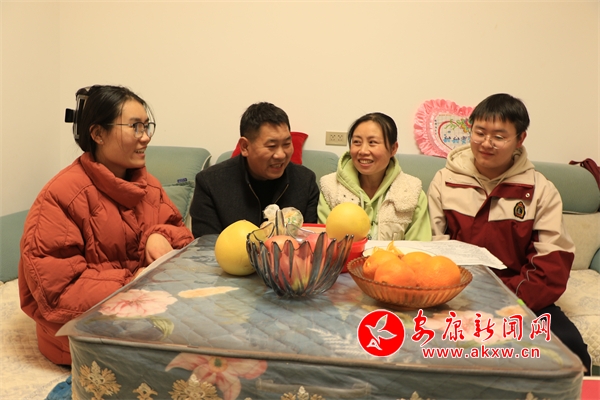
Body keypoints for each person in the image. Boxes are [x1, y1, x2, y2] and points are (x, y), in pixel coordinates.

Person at [19, 85, 194, 365]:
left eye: (147, 126)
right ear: (98, 134)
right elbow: (58, 292)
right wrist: (131, 284)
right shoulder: (61, 195)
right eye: (135, 127)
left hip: (144, 316)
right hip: (78, 336)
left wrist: (159, 234)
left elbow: (184, 240)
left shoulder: (149, 186)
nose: (146, 137)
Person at [427, 93, 592, 374]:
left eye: (499, 136)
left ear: (520, 138)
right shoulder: (445, 181)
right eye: (480, 132)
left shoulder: (540, 190)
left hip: (522, 297)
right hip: (458, 295)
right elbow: (436, 248)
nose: (486, 143)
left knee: (571, 351)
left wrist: (507, 301)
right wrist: (466, 298)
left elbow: (552, 262)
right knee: (427, 346)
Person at [190, 102, 319, 237]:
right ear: (245, 147)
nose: (281, 155)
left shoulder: (305, 181)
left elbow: (309, 241)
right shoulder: (210, 183)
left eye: (287, 144)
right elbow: (207, 245)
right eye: (271, 146)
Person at [318, 112, 431, 241]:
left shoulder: (412, 191)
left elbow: (419, 247)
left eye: (372, 142)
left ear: (393, 149)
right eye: (357, 142)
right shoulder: (330, 187)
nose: (363, 151)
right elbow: (325, 242)